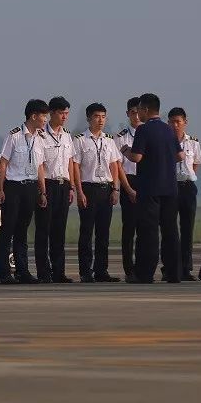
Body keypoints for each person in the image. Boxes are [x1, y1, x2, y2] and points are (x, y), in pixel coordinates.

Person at [128, 93, 185, 284]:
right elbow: (180, 156)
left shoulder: (143, 130)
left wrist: (125, 151)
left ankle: (145, 273)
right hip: (170, 187)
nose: (138, 115)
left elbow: (137, 157)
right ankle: (173, 272)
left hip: (150, 188)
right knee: (170, 231)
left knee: (148, 232)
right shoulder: (169, 130)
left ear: (145, 110)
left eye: (139, 111)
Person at [0, 99, 49, 284]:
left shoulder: (40, 138)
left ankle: (22, 271)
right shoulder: (14, 136)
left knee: (22, 231)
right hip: (13, 187)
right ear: (33, 116)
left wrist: (42, 191)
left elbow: (40, 166)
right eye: (43, 116)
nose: (45, 120)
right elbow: (3, 163)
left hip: (31, 187)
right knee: (7, 229)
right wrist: (0, 188)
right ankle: (3, 272)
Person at [72, 103, 126, 282]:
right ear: (89, 118)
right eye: (96, 116)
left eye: (103, 116)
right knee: (86, 232)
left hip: (106, 188)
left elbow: (114, 166)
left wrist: (116, 188)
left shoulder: (109, 140)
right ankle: (85, 271)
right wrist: (79, 191)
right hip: (88, 188)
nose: (100, 120)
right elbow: (76, 167)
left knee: (103, 233)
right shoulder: (80, 140)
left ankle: (101, 270)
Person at [34, 96, 76, 283]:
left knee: (59, 231)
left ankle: (59, 271)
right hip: (47, 184)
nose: (64, 116)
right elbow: (39, 165)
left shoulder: (67, 135)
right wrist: (42, 191)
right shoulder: (40, 135)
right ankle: (44, 272)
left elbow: (70, 162)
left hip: (63, 184)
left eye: (66, 113)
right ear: (51, 113)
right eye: (61, 113)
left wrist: (72, 187)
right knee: (44, 230)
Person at [168, 107, 201, 281]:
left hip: (188, 187)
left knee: (187, 228)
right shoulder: (165, 141)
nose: (175, 125)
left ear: (185, 122)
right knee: (169, 229)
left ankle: (186, 268)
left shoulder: (193, 142)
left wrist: (188, 177)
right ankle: (169, 267)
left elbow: (196, 163)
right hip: (170, 187)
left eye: (178, 121)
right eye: (172, 121)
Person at [113, 96, 142, 283]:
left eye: (140, 112)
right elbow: (118, 166)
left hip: (147, 182)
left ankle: (143, 266)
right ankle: (129, 268)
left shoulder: (150, 133)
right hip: (129, 181)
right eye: (133, 112)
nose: (137, 116)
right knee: (129, 227)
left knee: (146, 228)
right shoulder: (120, 137)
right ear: (127, 114)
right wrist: (128, 189)